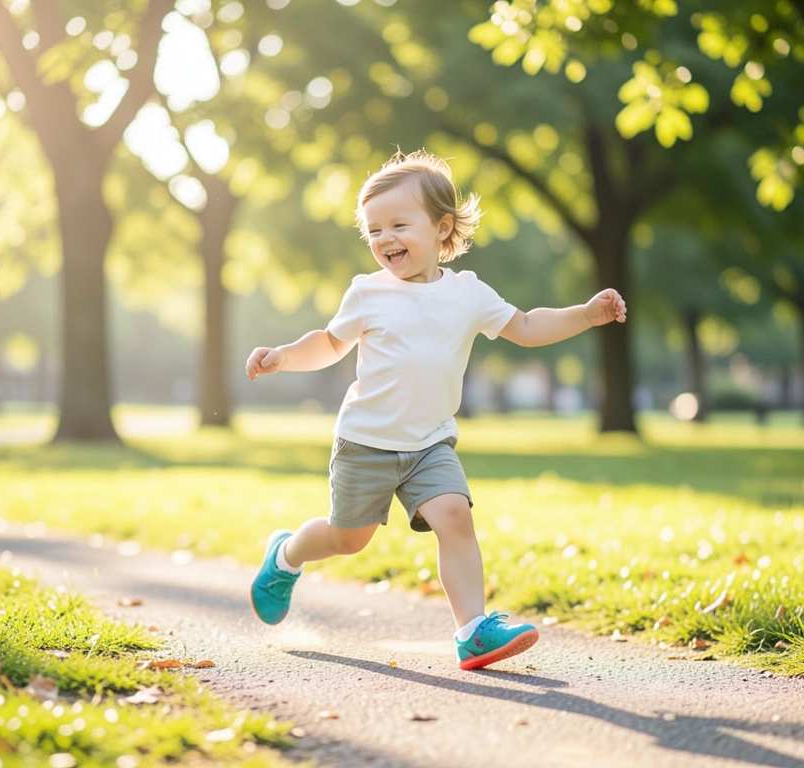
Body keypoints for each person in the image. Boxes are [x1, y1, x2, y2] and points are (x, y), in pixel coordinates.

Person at [245, 149, 626, 670]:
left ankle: (472, 632)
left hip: (429, 443)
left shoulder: (468, 293)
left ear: (442, 226)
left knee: (454, 515)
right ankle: (286, 555)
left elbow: (528, 327)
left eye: (399, 224)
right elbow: (330, 344)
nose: (384, 240)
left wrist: (586, 314)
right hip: (366, 443)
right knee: (346, 539)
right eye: (373, 230)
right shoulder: (368, 293)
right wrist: (284, 357)